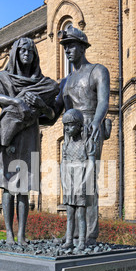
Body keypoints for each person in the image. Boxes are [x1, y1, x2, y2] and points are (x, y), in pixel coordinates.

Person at [0, 37, 59, 245]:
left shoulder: (42, 84)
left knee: (24, 187)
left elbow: (52, 115)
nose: (27, 54)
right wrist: (16, 100)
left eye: (31, 51)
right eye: (23, 51)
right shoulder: (4, 78)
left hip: (29, 135)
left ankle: (21, 235)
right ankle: (9, 234)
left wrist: (41, 105)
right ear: (16, 54)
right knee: (7, 186)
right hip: (9, 133)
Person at [54, 26, 111, 245]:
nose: (68, 50)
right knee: (70, 185)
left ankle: (90, 234)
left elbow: (104, 101)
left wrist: (96, 122)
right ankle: (73, 234)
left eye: (72, 46)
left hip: (90, 128)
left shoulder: (98, 71)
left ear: (82, 47)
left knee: (87, 184)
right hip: (70, 132)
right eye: (65, 46)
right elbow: (56, 108)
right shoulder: (65, 81)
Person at [61, 109, 96, 250]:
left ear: (79, 125)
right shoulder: (66, 144)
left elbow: (91, 163)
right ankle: (69, 240)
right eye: (66, 126)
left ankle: (82, 241)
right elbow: (63, 163)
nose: (68, 129)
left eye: (71, 125)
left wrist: (84, 182)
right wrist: (63, 180)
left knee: (81, 214)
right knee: (69, 213)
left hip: (81, 180)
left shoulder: (87, 142)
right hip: (69, 181)